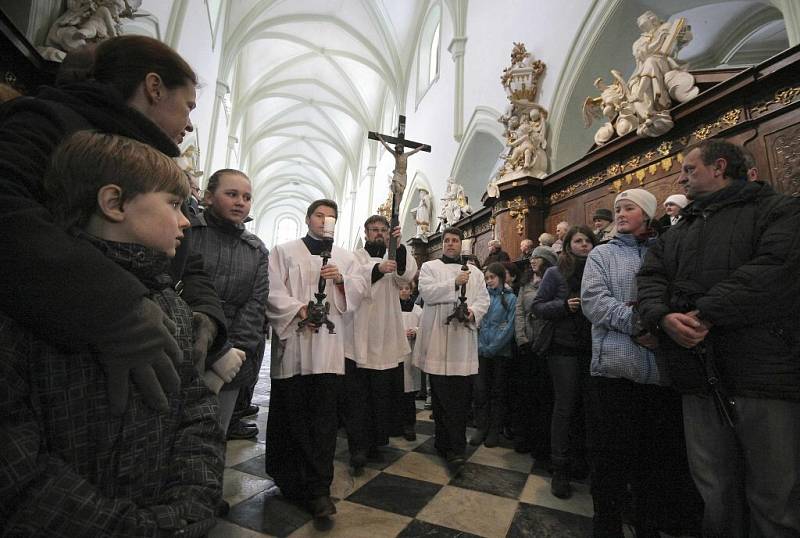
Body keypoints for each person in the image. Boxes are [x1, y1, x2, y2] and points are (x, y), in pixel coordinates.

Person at [0, 131, 224, 537]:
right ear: (114, 203)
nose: (186, 220)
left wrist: (189, 509)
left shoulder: (167, 302)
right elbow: (14, 457)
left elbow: (196, 412)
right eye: (174, 204)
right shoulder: (29, 302)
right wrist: (126, 529)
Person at [0, 35, 226, 417]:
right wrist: (115, 306)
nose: (190, 125)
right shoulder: (48, 122)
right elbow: (9, 213)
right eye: (188, 106)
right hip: (57, 358)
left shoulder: (149, 155)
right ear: (154, 87)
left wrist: (206, 316)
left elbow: (187, 253)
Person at [637, 139, 800, 537]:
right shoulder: (678, 232)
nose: (681, 178)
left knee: (774, 495)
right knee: (714, 490)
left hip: (763, 374)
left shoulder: (778, 210)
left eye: (689, 170)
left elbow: (775, 269)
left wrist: (704, 313)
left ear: (719, 167)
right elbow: (650, 278)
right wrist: (663, 317)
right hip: (697, 375)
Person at [582, 188, 701, 537]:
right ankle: (607, 524)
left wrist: (661, 329)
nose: (620, 214)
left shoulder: (664, 251)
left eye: (629, 208)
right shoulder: (602, 254)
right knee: (610, 459)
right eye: (617, 208)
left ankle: (648, 523)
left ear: (646, 215)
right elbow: (594, 301)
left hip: (659, 374)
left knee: (653, 461)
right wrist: (639, 324)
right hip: (615, 370)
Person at [265, 199, 367, 519]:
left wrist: (341, 281)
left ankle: (320, 488)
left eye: (331, 217)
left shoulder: (346, 257)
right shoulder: (284, 251)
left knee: (323, 419)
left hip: (326, 349)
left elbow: (360, 290)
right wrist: (299, 309)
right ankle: (290, 480)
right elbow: (270, 290)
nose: (325, 221)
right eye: (320, 215)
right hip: (293, 344)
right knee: (292, 414)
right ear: (308, 218)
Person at [189, 169, 269, 441]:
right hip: (187, 344)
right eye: (231, 194)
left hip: (233, 357)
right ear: (209, 197)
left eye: (246, 197)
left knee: (213, 435)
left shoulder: (256, 249)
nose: (240, 202)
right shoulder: (190, 233)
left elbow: (255, 305)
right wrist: (212, 351)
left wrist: (234, 354)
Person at [342, 215, 417, 474]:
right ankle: (358, 448)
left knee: (381, 394)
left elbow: (405, 277)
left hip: (385, 334)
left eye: (383, 231)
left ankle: (376, 443)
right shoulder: (355, 257)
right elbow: (350, 285)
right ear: (365, 232)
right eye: (374, 230)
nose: (378, 234)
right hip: (360, 333)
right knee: (358, 396)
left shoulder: (393, 255)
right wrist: (375, 270)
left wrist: (400, 246)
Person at [413, 227, 490, 475]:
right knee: (440, 397)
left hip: (461, 342)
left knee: (459, 399)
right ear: (442, 244)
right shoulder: (429, 267)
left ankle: (456, 449)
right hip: (437, 339)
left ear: (461, 245)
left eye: (455, 241)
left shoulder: (475, 272)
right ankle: (443, 442)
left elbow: (483, 300)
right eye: (446, 240)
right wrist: (453, 283)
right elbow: (426, 293)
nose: (450, 244)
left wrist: (472, 313)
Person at [533, 225, 597, 499]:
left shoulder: (598, 270)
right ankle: (560, 467)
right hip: (563, 348)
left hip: (593, 347)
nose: (583, 245)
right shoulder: (555, 273)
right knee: (565, 406)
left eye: (587, 241)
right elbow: (537, 306)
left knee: (588, 408)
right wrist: (563, 306)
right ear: (568, 245)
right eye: (578, 241)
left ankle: (581, 460)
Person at [514, 246, 558, 456]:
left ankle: (542, 444)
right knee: (526, 395)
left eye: (537, 258)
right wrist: (521, 338)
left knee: (544, 396)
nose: (532, 261)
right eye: (531, 258)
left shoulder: (555, 281)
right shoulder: (525, 283)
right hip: (528, 344)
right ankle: (526, 437)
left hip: (547, 343)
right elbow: (520, 311)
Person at [471, 263, 517, 447]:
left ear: (501, 277)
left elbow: (509, 326)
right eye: (487, 278)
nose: (489, 281)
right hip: (482, 351)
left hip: (500, 353)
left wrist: (494, 346)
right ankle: (481, 427)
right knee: (481, 391)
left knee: (498, 392)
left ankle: (494, 430)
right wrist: (482, 345)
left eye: (492, 277)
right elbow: (477, 322)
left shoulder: (511, 298)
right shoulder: (482, 298)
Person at [398, 282, 423, 439]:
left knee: (408, 394)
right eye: (401, 288)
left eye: (407, 288)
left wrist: (416, 331)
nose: (404, 291)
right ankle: (394, 424)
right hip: (394, 354)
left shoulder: (418, 310)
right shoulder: (391, 308)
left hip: (410, 353)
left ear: (411, 291)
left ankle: (409, 425)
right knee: (396, 391)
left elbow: (424, 327)